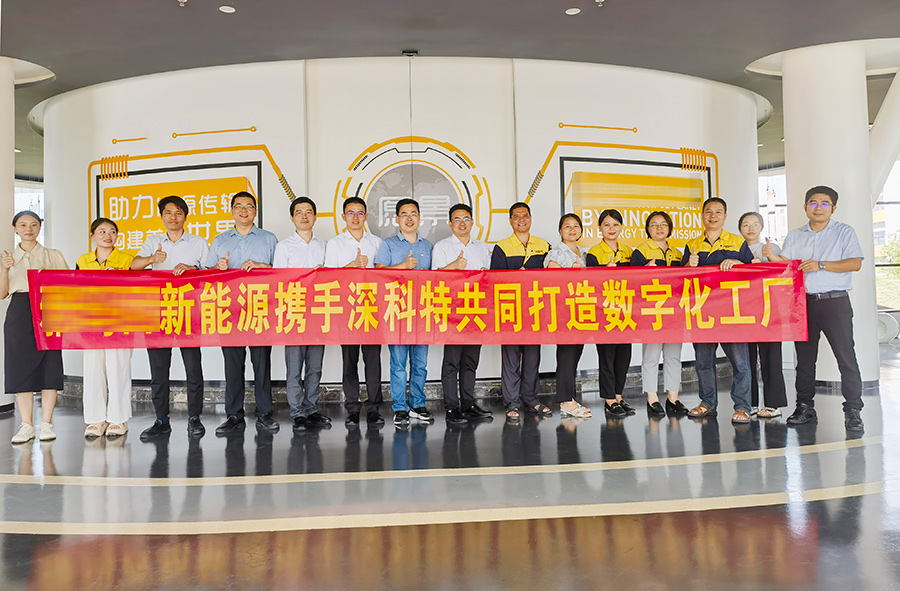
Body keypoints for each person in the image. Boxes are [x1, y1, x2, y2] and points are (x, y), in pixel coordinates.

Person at [763, 185, 865, 432]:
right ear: (805, 206)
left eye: (824, 203)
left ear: (833, 208)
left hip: (835, 303)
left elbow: (855, 263)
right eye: (813, 203)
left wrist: (821, 265)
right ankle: (805, 407)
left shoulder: (844, 232)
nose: (818, 207)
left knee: (846, 357)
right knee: (805, 360)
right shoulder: (796, 235)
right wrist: (771, 256)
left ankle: (853, 410)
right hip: (803, 303)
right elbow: (788, 265)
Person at [131, 195, 210, 440]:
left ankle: (194, 418)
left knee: (193, 368)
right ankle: (161, 420)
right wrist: (152, 259)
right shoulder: (152, 241)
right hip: (158, 312)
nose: (173, 217)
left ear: (185, 216)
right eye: (168, 212)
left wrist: (192, 269)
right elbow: (134, 266)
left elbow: (210, 273)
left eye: (178, 212)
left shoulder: (198, 243)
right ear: (161, 216)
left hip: (188, 311)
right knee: (158, 369)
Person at [205, 191, 279, 435]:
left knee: (262, 364)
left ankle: (264, 413)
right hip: (230, 311)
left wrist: (263, 266)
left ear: (255, 211)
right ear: (232, 211)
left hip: (260, 308)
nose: (244, 210)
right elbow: (207, 275)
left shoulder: (269, 239)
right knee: (233, 366)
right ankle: (234, 415)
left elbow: (281, 273)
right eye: (238, 206)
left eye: (249, 206)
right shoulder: (220, 240)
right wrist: (218, 268)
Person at [682, 197, 754, 425]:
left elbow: (755, 272)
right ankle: (707, 403)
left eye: (718, 212)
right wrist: (689, 265)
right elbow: (680, 278)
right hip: (702, 311)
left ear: (725, 216)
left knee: (740, 363)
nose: (713, 216)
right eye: (708, 212)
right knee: (703, 362)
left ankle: (742, 407)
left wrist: (739, 264)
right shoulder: (692, 244)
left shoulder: (737, 242)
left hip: (732, 312)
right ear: (702, 216)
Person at [1, 211, 68, 444]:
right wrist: (5, 269)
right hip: (19, 312)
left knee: (50, 366)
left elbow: (66, 286)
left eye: (33, 224)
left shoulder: (53, 255)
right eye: (22, 225)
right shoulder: (7, 257)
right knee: (20, 367)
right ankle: (26, 425)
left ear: (40, 227)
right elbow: (2, 293)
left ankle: (46, 423)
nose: (28, 229)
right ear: (15, 228)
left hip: (48, 309)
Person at [324, 197, 385, 427]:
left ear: (366, 216)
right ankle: (352, 407)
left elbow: (384, 274)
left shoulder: (377, 242)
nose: (356, 217)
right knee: (349, 360)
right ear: (343, 217)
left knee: (373, 361)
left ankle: (374, 408)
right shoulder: (335, 244)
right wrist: (351, 265)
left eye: (360, 213)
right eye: (351, 213)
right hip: (347, 309)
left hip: (372, 309)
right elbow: (328, 277)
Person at [273, 196, 332, 433]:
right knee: (295, 367)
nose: (304, 216)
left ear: (315, 217)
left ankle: (311, 408)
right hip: (294, 313)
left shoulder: (325, 246)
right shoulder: (283, 247)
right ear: (292, 218)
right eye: (299, 212)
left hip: (319, 312)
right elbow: (278, 281)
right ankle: (297, 412)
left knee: (315, 367)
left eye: (309, 212)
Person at [432, 203, 493, 425]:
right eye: (457, 219)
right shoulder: (442, 247)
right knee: (452, 362)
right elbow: (434, 278)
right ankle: (451, 407)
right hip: (452, 312)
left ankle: (468, 404)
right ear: (450, 223)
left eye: (466, 219)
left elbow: (489, 280)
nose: (462, 223)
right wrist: (454, 266)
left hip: (476, 311)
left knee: (470, 361)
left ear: (472, 222)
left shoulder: (482, 248)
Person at [375, 198, 434, 427]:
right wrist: (403, 266)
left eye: (413, 214)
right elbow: (379, 273)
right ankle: (400, 408)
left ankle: (418, 404)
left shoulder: (427, 246)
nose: (409, 218)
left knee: (420, 364)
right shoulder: (388, 244)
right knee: (398, 363)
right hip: (397, 312)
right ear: (397, 219)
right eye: (404, 214)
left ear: (419, 218)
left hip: (422, 312)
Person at [490, 202, 550, 423]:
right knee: (511, 359)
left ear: (531, 219)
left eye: (525, 215)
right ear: (510, 221)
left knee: (533, 358)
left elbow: (553, 278)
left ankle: (531, 399)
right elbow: (495, 281)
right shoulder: (502, 247)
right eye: (516, 216)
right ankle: (512, 403)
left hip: (535, 310)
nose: (521, 219)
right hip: (511, 311)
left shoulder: (544, 246)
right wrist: (516, 277)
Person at [77, 218, 135, 438]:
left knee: (118, 368)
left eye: (112, 231)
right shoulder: (83, 261)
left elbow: (136, 289)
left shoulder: (127, 260)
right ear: (92, 236)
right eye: (101, 231)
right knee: (93, 369)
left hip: (120, 320)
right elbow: (76, 288)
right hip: (91, 321)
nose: (107, 235)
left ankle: (118, 419)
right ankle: (96, 419)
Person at [631, 211, 689, 417]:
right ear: (648, 229)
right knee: (651, 356)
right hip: (651, 312)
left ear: (669, 228)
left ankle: (673, 398)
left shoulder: (677, 253)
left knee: (673, 355)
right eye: (654, 224)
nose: (659, 228)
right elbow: (630, 283)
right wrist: (643, 271)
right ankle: (652, 398)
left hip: (674, 312)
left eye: (663, 224)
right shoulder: (640, 252)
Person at [738, 211, 788, 419]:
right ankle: (749, 403)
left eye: (755, 224)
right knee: (745, 358)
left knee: (771, 357)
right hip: (743, 310)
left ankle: (773, 404)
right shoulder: (735, 248)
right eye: (746, 224)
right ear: (740, 228)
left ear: (761, 227)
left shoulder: (770, 248)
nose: (750, 228)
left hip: (769, 309)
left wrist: (769, 259)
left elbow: (785, 272)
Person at [586, 209, 634, 417]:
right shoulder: (594, 252)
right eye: (606, 225)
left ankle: (619, 396)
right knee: (607, 356)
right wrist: (604, 271)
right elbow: (590, 283)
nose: (611, 229)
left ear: (621, 227)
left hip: (625, 311)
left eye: (615, 224)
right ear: (600, 228)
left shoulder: (629, 252)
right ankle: (609, 399)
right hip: (604, 312)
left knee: (624, 356)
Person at [545, 213, 591, 419]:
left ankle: (570, 398)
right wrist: (570, 274)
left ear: (581, 231)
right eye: (567, 226)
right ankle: (565, 401)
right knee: (566, 356)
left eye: (576, 226)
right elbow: (552, 281)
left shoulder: (585, 254)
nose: (572, 230)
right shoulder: (555, 253)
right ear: (560, 231)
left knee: (574, 356)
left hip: (581, 310)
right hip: (563, 312)